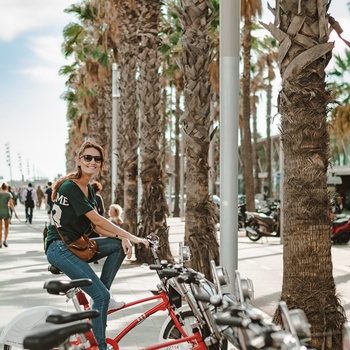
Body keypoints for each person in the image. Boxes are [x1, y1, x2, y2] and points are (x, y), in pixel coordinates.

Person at [45, 139, 149, 350]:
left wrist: (123, 238)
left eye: (97, 159)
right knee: (100, 295)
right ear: (79, 160)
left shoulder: (89, 190)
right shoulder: (70, 187)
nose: (92, 162)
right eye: (88, 157)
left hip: (78, 245)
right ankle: (101, 346)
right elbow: (100, 220)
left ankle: (102, 297)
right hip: (60, 248)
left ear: (101, 164)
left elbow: (96, 227)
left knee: (117, 250)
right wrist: (134, 237)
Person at [0, 183, 18, 247]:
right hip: (6, 212)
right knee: (6, 227)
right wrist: (15, 213)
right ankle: (5, 240)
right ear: (6, 188)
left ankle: (0, 242)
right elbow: (11, 204)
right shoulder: (8, 194)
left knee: (0, 228)